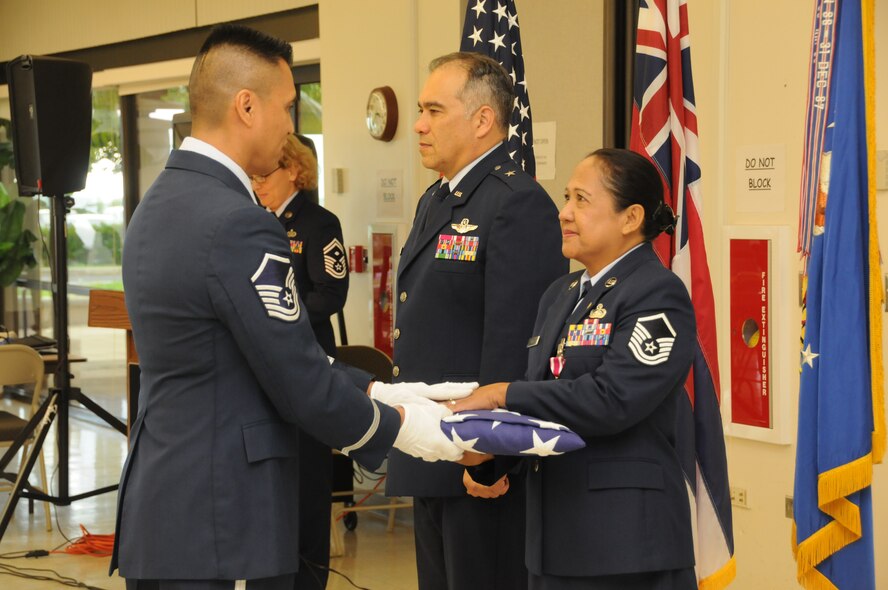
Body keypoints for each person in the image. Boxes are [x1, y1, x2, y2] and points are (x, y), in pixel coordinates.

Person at [111, 24, 470, 590]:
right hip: (226, 521)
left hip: (168, 512)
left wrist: (382, 391)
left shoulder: (158, 203)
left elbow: (247, 353)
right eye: (286, 107)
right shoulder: (238, 221)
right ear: (246, 106)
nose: (291, 126)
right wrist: (411, 429)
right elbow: (297, 377)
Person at [452, 148, 698, 590]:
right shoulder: (561, 293)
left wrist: (501, 394)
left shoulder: (658, 293)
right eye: (566, 198)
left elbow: (612, 400)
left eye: (581, 200)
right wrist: (492, 458)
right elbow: (545, 404)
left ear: (630, 218)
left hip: (624, 547)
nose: (564, 213)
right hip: (553, 538)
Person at [387, 51, 567, 590]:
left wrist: (490, 454)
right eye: (421, 109)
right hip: (433, 448)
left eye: (434, 110)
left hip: (478, 460)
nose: (419, 124)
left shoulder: (516, 203)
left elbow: (516, 342)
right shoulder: (437, 199)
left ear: (483, 119)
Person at [251, 133, 349, 588]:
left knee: (308, 487)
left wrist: (278, 320)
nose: (257, 183)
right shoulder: (252, 222)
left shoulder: (319, 224)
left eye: (264, 174)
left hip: (308, 364)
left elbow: (329, 295)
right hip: (264, 370)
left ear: (293, 170)